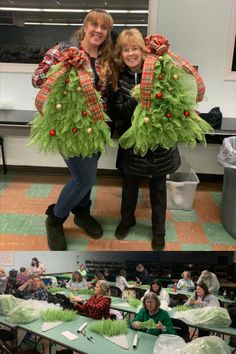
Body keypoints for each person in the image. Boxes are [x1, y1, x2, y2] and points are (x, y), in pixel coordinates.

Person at [31, 9, 115, 250]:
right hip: (69, 126)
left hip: (96, 126)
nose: (99, 30)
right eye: (95, 24)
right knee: (84, 178)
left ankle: (82, 213)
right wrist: (61, 66)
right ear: (85, 26)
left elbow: (104, 91)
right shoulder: (62, 49)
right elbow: (37, 80)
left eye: (104, 27)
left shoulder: (104, 56)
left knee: (86, 178)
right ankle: (55, 220)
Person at [111, 28, 181, 250]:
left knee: (158, 190)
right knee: (129, 187)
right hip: (132, 146)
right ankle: (126, 220)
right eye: (125, 50)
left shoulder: (158, 72)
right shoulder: (118, 79)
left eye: (134, 49)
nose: (130, 54)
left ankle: (159, 230)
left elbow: (173, 103)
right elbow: (117, 111)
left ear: (142, 51)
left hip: (159, 146)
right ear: (120, 54)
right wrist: (137, 97)